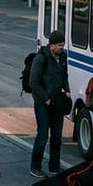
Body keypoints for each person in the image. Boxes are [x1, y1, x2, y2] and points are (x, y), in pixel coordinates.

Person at [29, 30, 69, 178]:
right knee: (43, 136)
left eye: (63, 45)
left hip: (57, 101)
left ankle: (54, 166)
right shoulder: (41, 59)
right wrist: (45, 98)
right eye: (59, 45)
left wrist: (67, 90)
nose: (62, 48)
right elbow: (33, 82)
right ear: (51, 46)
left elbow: (64, 75)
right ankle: (35, 167)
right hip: (43, 103)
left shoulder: (63, 57)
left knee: (57, 137)